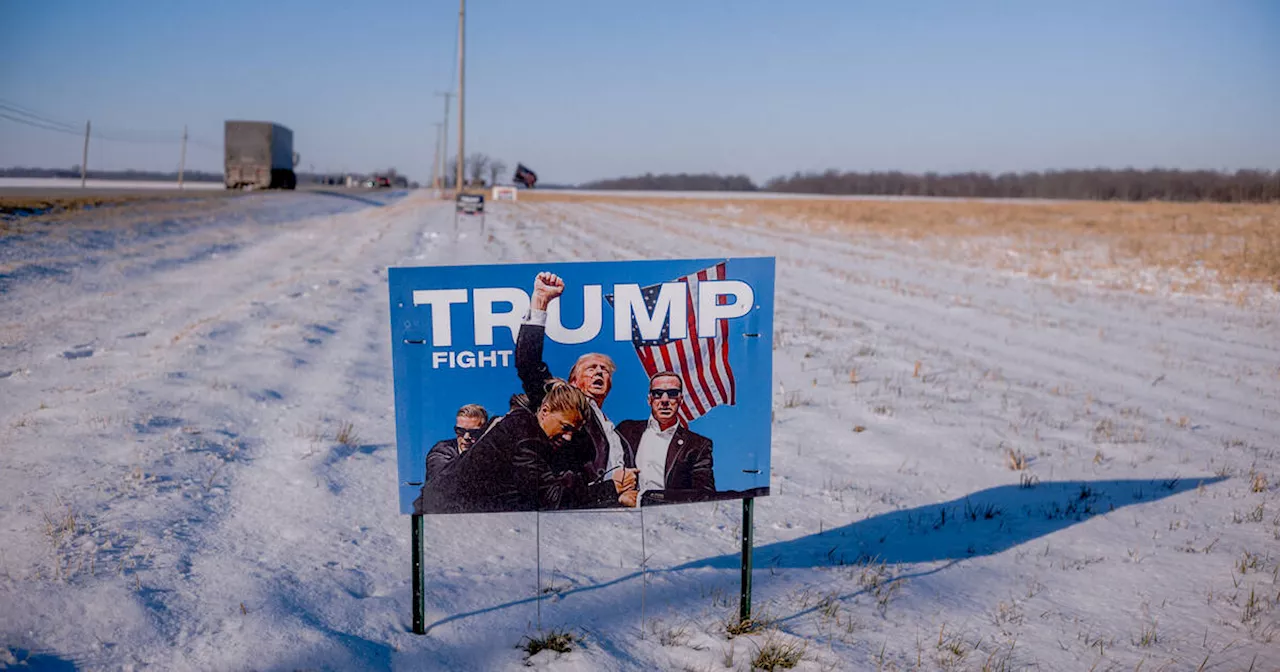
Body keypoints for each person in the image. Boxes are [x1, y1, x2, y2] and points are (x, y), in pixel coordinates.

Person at [516, 271, 634, 508]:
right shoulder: (564, 407)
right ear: (573, 380)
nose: (599, 372)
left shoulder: (616, 431)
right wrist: (540, 301)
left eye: (604, 370)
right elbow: (528, 365)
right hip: (579, 509)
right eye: (591, 369)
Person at [415, 380, 617, 514]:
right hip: (442, 515)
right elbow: (551, 499)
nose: (568, 437)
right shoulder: (526, 441)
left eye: (573, 431)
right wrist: (613, 488)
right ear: (544, 411)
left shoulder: (523, 423)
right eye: (565, 428)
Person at [616, 372, 716, 507]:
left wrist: (645, 499)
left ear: (681, 399)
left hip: (667, 518)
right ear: (649, 399)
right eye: (657, 393)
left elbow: (704, 495)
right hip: (620, 517)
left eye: (672, 393)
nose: (664, 400)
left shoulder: (698, 445)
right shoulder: (626, 430)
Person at [424, 404, 489, 484]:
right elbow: (442, 481)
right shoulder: (441, 451)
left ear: (484, 432)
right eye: (460, 431)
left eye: (474, 432)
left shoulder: (490, 454)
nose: (466, 437)